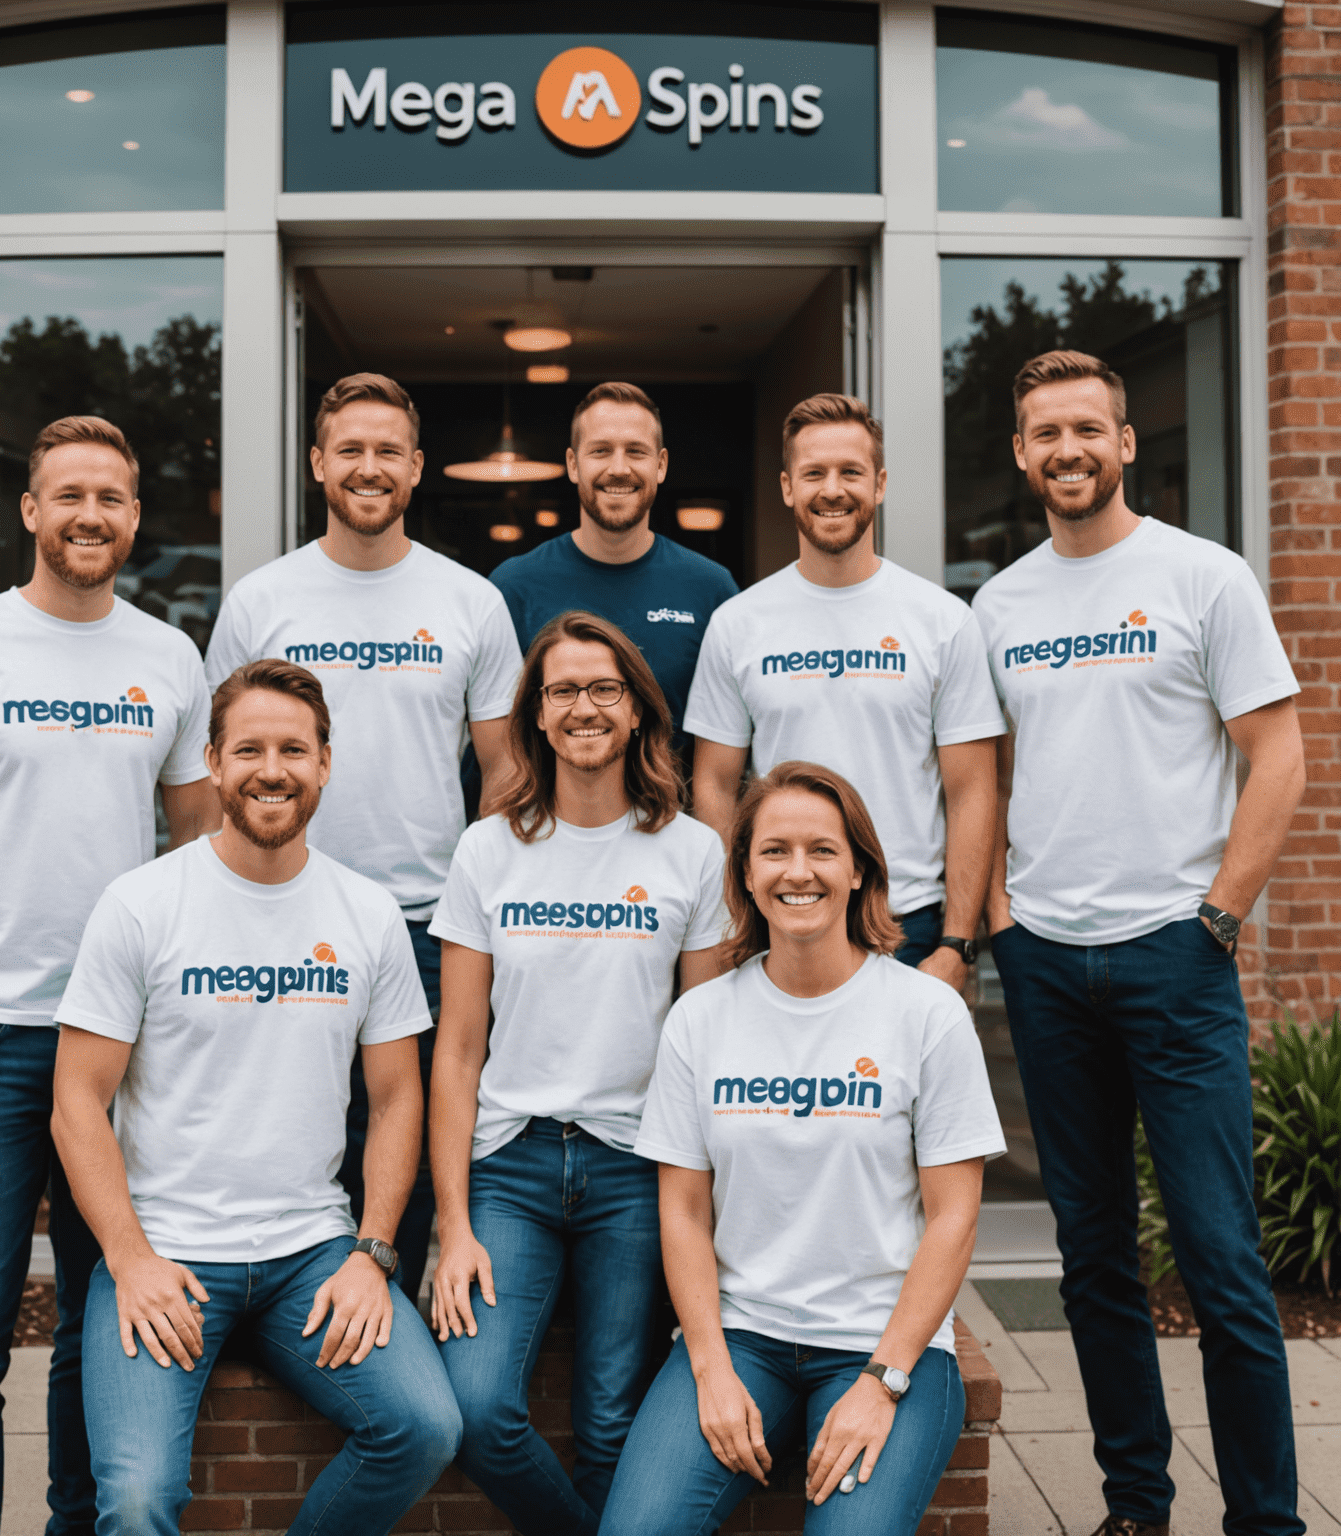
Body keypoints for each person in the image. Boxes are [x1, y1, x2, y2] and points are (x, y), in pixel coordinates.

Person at [0, 416, 220, 1536]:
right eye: (68, 495)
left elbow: (201, 849)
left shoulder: (168, 658)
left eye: (110, 498)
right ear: (28, 510)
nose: (89, 516)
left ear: (134, 517)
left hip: (120, 1044)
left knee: (89, 1321)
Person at [973, 350, 1307, 1536]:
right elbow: (990, 779)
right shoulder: (999, 605)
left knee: (1221, 1265)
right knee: (1094, 1263)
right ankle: (1134, 1505)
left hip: (1176, 955)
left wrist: (1219, 913)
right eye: (1043, 433)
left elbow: (1281, 755)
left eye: (1086, 429)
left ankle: (1266, 1519)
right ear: (1021, 454)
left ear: (1122, 441)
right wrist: (1003, 919)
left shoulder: (1201, 577)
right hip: (1050, 964)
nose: (1065, 450)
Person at [50, 659, 462, 1536]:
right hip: (166, 1250)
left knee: (424, 1427)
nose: (270, 769)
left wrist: (373, 1253)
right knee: (131, 1502)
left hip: (307, 1254)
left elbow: (396, 1099)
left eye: (292, 750)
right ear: (211, 762)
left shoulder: (368, 913)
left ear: (323, 764)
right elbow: (76, 1102)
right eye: (248, 750)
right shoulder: (142, 904)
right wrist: (127, 1259)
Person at [600, 761, 1006, 1536]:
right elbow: (682, 1212)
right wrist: (709, 1370)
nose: (798, 871)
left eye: (822, 850)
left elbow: (954, 1219)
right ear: (746, 875)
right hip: (744, 1336)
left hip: (884, 1343)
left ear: (860, 869)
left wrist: (882, 1382)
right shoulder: (701, 1019)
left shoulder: (925, 1014)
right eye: (774, 850)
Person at [204, 372, 522, 1303]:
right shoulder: (263, 599)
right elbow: (218, 764)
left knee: (409, 1143)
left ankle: (393, 1325)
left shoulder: (470, 602)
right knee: (294, 1132)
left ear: (417, 468)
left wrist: (473, 898)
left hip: (424, 930)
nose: (369, 467)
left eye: (388, 450)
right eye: (349, 449)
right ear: (317, 464)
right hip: (283, 917)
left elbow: (503, 772)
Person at [429, 610, 729, 1535]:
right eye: (563, 690)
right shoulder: (490, 849)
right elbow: (457, 1049)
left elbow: (708, 1047)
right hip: (510, 1167)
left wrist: (710, 1219)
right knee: (477, 1410)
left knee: (607, 1421)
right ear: (536, 715)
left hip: (636, 1170)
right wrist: (452, 1223)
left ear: (639, 710)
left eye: (606, 688)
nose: (585, 706)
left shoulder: (692, 852)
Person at [686, 394, 1003, 989]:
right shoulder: (739, 622)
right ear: (787, 487)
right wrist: (737, 915)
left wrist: (958, 942)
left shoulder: (940, 620)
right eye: (814, 473)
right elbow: (715, 784)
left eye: (851, 472)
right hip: (780, 922)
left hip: (908, 926)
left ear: (879, 483)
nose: (833, 489)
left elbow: (971, 789)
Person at [490, 381, 738, 757]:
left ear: (661, 465)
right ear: (574, 465)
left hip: (672, 814)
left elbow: (725, 744)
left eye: (636, 452)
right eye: (601, 451)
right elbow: (500, 744)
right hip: (548, 816)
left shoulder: (710, 588)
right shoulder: (514, 586)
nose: (618, 469)